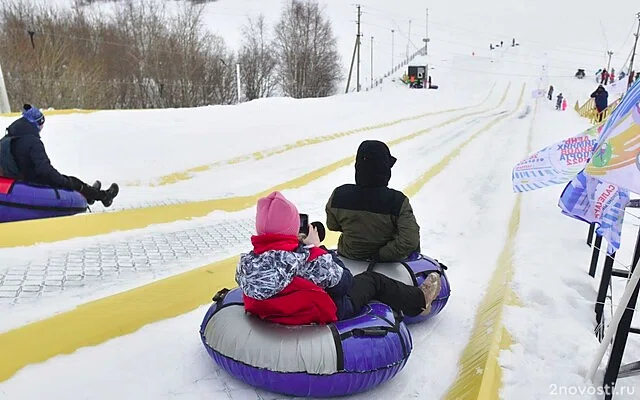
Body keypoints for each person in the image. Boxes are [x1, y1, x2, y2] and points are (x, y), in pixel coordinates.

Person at [235, 191, 441, 325]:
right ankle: (419, 301)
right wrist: (317, 248)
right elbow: (344, 282)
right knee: (372, 281)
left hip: (275, 312)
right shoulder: (309, 260)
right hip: (328, 310)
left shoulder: (247, 264)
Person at [0, 104, 119, 207]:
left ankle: (90, 194)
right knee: (72, 182)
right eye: (41, 125)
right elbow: (44, 169)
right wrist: (62, 180)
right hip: (30, 180)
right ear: (37, 124)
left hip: (15, 179)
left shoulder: (7, 138)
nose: (42, 128)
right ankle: (104, 197)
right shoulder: (33, 142)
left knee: (69, 181)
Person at [325, 140, 420, 262]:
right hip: (388, 266)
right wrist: (380, 255)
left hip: (348, 260)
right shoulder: (398, 201)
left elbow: (332, 225)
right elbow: (409, 240)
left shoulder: (339, 194)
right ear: (385, 170)